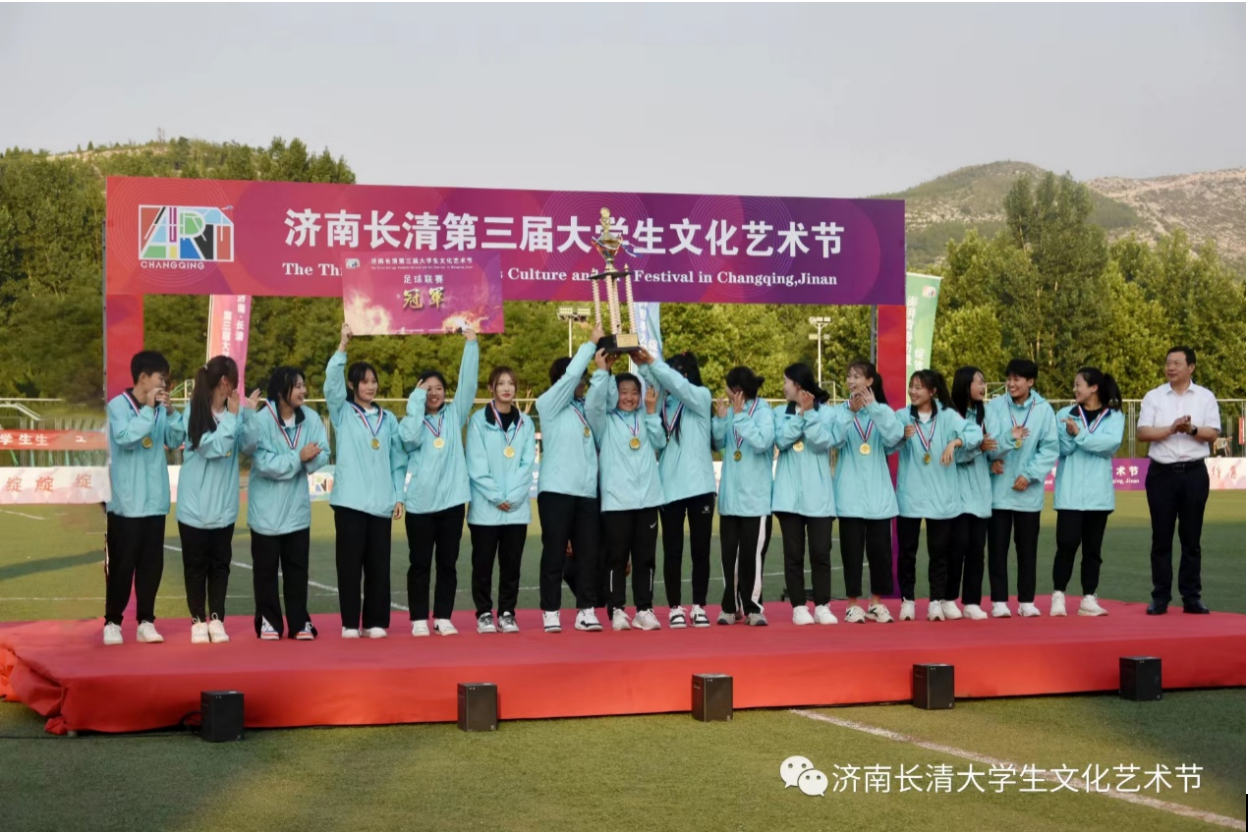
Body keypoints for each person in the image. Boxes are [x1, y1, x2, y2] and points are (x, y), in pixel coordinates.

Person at [326, 323, 408, 639]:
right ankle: (349, 623)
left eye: (374, 381)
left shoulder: (388, 419)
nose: (371, 386)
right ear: (353, 385)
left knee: (378, 567)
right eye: (365, 381)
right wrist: (342, 346)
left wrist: (398, 495)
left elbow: (397, 461)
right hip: (350, 503)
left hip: (381, 504)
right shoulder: (342, 412)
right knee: (349, 567)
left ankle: (375, 622)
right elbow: (331, 385)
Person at [399, 327, 480, 636]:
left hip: (451, 503)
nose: (434, 393)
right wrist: (416, 402)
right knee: (419, 565)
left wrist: (471, 345)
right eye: (427, 389)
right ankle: (419, 618)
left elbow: (468, 384)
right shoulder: (411, 421)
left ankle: (443, 616)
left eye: (438, 388)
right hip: (420, 506)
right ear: (418, 393)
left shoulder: (455, 414)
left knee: (448, 564)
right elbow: (410, 438)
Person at [102, 350, 185, 646]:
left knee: (151, 567)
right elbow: (125, 438)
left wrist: (171, 413)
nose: (165, 384)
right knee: (122, 566)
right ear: (143, 377)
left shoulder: (161, 409)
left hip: (154, 502)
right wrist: (150, 410)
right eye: (161, 378)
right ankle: (112, 622)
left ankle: (146, 622)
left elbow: (175, 441)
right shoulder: (117, 407)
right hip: (126, 504)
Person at [242, 366, 330, 640]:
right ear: (282, 391)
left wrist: (307, 460)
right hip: (265, 513)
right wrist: (298, 458)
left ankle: (299, 622)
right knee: (265, 571)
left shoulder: (311, 418)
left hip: (296, 511)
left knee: (297, 571)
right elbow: (263, 463)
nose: (304, 390)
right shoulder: (261, 419)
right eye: (298, 386)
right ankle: (269, 621)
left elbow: (323, 452)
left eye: (303, 385)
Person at [176, 355, 259, 644]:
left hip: (224, 507)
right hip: (194, 508)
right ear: (225, 381)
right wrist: (234, 418)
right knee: (195, 567)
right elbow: (211, 448)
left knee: (220, 566)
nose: (236, 385)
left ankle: (217, 619)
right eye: (234, 379)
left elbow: (249, 446)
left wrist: (249, 415)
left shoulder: (236, 412)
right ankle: (198, 620)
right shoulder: (194, 412)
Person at [634, 349, 716, 629]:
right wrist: (642, 367)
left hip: (700, 487)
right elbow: (658, 441)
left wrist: (651, 362)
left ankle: (699, 606)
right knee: (672, 552)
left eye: (676, 372)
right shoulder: (663, 404)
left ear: (686, 374)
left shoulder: (701, 397)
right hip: (669, 489)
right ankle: (675, 607)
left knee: (700, 551)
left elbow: (678, 385)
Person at [1136, 347, 1221, 615]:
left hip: (1194, 473)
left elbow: (1212, 433)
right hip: (1161, 474)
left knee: (1191, 539)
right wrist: (1172, 428)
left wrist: (1191, 429)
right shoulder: (1154, 396)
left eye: (1177, 363)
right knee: (1161, 538)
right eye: (1168, 363)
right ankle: (1160, 597)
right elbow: (1142, 433)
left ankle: (1191, 597)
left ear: (1191, 367)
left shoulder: (1205, 397)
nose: (1171, 367)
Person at [585, 351, 666, 631]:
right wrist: (603, 371)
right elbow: (593, 404)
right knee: (616, 559)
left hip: (648, 500)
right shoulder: (604, 421)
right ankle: (617, 610)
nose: (629, 397)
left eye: (634, 392)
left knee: (645, 560)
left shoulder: (646, 415)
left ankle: (644, 609)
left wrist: (652, 410)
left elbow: (660, 441)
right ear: (614, 394)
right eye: (623, 392)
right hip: (617, 502)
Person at [894, 370, 981, 622]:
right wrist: (900, 435)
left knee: (939, 553)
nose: (913, 391)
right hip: (910, 496)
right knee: (907, 553)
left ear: (932, 391)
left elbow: (975, 434)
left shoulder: (947, 416)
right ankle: (908, 601)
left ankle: (935, 601)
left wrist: (955, 442)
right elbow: (888, 439)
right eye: (911, 386)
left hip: (941, 497)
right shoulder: (902, 416)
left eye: (919, 387)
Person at [534, 330, 606, 633]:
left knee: (588, 554)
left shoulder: (585, 408)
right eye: (579, 378)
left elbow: (599, 401)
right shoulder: (548, 404)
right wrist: (590, 344)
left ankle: (586, 610)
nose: (582, 382)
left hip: (586, 492)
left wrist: (603, 371)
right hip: (556, 491)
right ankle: (551, 611)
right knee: (554, 553)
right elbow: (571, 376)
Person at [984, 358, 1059, 618]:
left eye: (1017, 379)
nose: (1011, 383)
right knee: (997, 550)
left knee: (1027, 550)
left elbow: (1049, 448)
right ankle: (999, 601)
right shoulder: (994, 406)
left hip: (1028, 493)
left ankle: (1027, 601)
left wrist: (1030, 475)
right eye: (1009, 378)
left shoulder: (1043, 410)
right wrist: (1005, 443)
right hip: (998, 492)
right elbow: (989, 444)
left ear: (1031, 381)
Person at [832, 360, 903, 624]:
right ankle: (852, 605)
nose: (851, 381)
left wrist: (873, 408)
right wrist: (849, 413)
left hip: (878, 496)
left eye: (857, 376)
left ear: (870, 381)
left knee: (880, 554)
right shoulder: (840, 411)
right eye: (849, 376)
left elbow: (894, 437)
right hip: (849, 495)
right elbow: (834, 440)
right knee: (851, 553)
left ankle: (876, 603)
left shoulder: (882, 410)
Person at [466, 367, 536, 634]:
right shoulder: (478, 421)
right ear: (491, 388)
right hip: (485, 510)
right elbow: (476, 464)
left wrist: (513, 497)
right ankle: (484, 613)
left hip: (516, 510)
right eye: (501, 383)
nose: (507, 388)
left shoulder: (526, 423)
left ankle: (507, 613)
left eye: (511, 383)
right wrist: (496, 496)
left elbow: (527, 463)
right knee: (482, 565)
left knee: (511, 567)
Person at [771, 363, 841, 626]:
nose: (783, 386)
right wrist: (800, 416)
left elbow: (822, 442)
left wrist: (809, 414)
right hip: (788, 498)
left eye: (786, 381)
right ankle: (799, 606)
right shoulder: (779, 413)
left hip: (819, 497)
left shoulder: (827, 413)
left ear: (798, 384)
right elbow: (781, 441)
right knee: (793, 555)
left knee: (821, 553)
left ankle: (822, 605)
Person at [1051, 367, 1124, 617]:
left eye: (1078, 384)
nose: (1074, 389)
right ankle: (1058, 595)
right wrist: (1074, 436)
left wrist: (1079, 434)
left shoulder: (1114, 415)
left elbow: (1108, 445)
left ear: (1094, 387)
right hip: (1069, 494)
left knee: (1092, 551)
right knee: (1066, 545)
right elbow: (1063, 448)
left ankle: (1088, 598)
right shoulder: (1064, 414)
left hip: (1098, 496)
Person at [712, 366, 776, 627]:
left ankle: (753, 607)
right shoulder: (730, 411)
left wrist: (739, 417)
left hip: (755, 499)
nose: (726, 391)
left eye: (729, 387)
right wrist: (720, 420)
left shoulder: (764, 412)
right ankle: (730, 607)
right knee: (728, 556)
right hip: (730, 499)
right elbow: (719, 443)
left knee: (751, 557)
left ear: (737, 390)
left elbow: (762, 442)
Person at [949, 367, 998, 620]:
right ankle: (948, 599)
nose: (983, 386)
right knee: (956, 548)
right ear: (965, 384)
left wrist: (994, 454)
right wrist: (978, 447)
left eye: (984, 381)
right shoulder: (950, 416)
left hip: (980, 494)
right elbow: (953, 455)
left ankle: (971, 602)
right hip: (957, 495)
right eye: (979, 381)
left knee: (977, 550)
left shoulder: (985, 414)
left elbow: (992, 446)